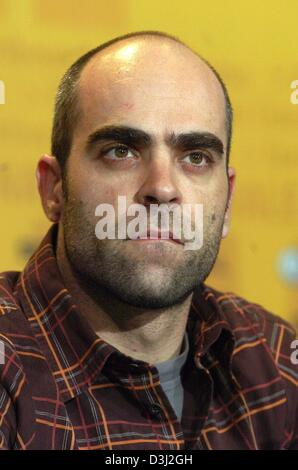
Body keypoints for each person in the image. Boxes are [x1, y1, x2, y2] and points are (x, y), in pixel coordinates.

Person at [0, 30, 297, 450]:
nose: (162, 188)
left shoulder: (276, 360)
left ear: (227, 202)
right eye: (121, 150)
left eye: (195, 158)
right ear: (54, 189)